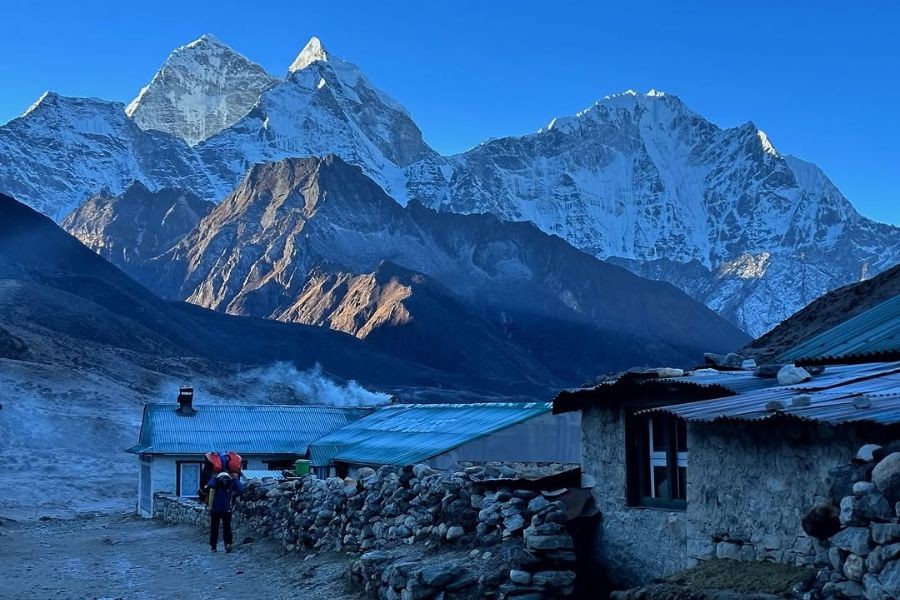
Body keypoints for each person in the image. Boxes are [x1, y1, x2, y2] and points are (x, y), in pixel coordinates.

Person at [207, 470, 244, 553]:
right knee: (218, 528)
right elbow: (210, 485)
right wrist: (214, 478)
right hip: (218, 510)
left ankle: (225, 545)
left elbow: (241, 490)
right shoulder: (217, 484)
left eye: (226, 479)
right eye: (223, 479)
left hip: (223, 510)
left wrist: (235, 480)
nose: (225, 481)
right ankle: (217, 546)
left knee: (224, 528)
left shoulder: (229, 485)